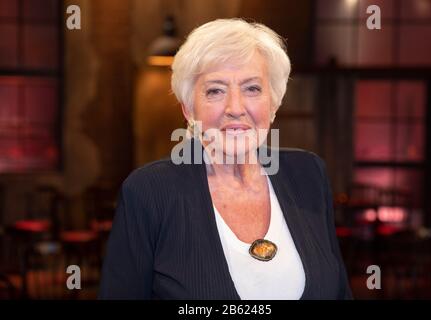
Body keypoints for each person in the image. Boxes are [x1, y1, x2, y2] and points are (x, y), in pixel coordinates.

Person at [99, 18, 352, 300]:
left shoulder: (309, 175)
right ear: (188, 110)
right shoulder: (148, 192)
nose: (235, 108)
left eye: (252, 89)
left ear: (274, 102)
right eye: (215, 91)